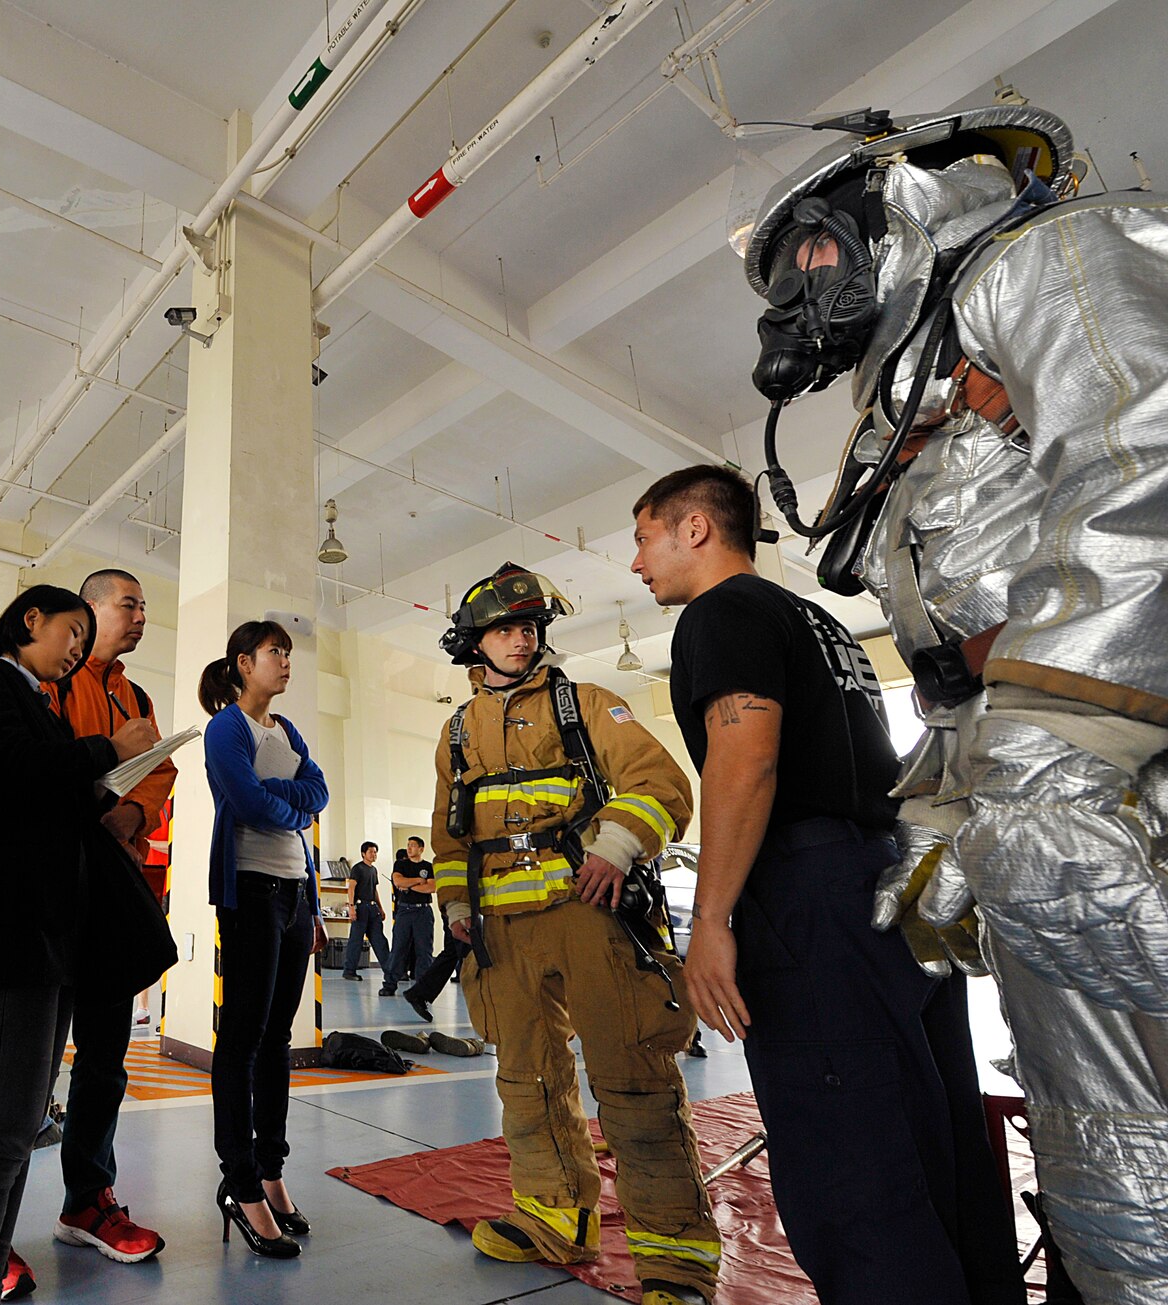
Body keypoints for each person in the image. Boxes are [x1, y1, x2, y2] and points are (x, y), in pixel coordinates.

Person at [737, 101, 1168, 1302]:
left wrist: (1043, 750)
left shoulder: (1045, 261)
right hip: (1048, 791)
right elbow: (957, 645)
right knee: (1102, 1152)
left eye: (807, 251)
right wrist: (945, 804)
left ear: (898, 206)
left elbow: (1145, 462)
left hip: (1108, 770)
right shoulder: (919, 395)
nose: (792, 293)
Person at [630, 466, 1022, 1305]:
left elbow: (748, 756)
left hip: (812, 897)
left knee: (851, 1157)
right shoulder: (816, 619)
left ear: (695, 528)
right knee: (939, 1133)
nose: (636, 562)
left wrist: (711, 918)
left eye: (643, 537)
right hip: (894, 878)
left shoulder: (720, 612)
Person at [428, 563, 712, 1305]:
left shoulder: (586, 704)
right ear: (475, 643)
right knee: (527, 1081)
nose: (521, 639)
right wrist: (455, 906)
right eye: (505, 629)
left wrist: (615, 847)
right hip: (501, 937)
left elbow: (662, 785)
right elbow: (450, 837)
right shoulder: (456, 733)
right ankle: (553, 1217)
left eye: (529, 627)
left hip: (590, 918)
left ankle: (676, 1259)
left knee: (633, 1077)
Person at [0, 585, 160, 1305]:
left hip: (49, 934)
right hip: (7, 930)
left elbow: (58, 796)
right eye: (72, 631)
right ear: (31, 619)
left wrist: (115, 783)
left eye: (86, 639)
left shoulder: (46, 704)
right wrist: (108, 750)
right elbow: (13, 771)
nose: (78, 649)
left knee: (17, 1131)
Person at [35, 567, 174, 1267]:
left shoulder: (136, 696)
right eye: (130, 604)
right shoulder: (48, 680)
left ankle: (88, 1199)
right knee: (22, 1067)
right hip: (48, 890)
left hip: (112, 889)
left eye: (145, 606)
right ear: (86, 612)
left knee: (104, 1061)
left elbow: (159, 771)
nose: (142, 615)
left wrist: (133, 814)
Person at [200, 619, 328, 1260]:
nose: (285, 661)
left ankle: (271, 1171)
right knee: (242, 1038)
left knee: (277, 1038)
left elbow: (319, 792)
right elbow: (248, 805)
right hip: (249, 892)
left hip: (296, 895)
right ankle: (240, 1181)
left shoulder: (287, 730)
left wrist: (287, 797)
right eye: (275, 651)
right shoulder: (227, 728)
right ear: (244, 663)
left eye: (288, 652)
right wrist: (292, 802)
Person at [382, 835, 435, 994]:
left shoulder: (428, 866)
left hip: (423, 911)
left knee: (424, 949)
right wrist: (419, 880)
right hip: (405, 911)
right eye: (408, 845)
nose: (409, 848)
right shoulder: (401, 864)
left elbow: (431, 887)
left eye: (413, 845)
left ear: (421, 849)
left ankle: (422, 987)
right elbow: (398, 881)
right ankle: (390, 984)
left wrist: (409, 885)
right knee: (399, 948)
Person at [340, 842, 392, 981]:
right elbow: (351, 888)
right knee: (356, 940)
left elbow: (374, 890)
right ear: (363, 853)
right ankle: (349, 971)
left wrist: (380, 907)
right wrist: (351, 907)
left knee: (379, 940)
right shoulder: (357, 869)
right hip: (360, 907)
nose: (373, 854)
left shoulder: (373, 870)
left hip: (372, 908)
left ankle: (389, 971)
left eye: (375, 852)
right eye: (371, 852)